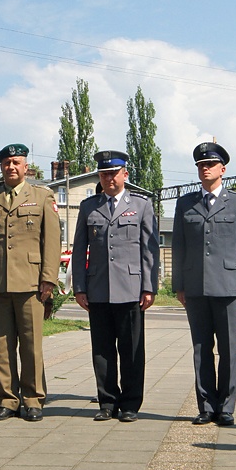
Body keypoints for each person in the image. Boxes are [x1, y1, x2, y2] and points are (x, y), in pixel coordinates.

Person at [0, 143, 61, 423]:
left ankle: (33, 399)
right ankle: (7, 399)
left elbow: (52, 241)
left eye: (16, 162)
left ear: (26, 167)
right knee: (1, 344)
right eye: (7, 162)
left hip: (31, 282)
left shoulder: (42, 196)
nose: (11, 167)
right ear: (1, 167)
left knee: (31, 344)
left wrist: (48, 278)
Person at [172, 142, 236, 427]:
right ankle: (206, 406)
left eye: (209, 164)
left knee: (229, 349)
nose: (204, 168)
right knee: (201, 348)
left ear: (223, 169)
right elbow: (179, 247)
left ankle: (226, 406)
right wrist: (179, 285)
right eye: (200, 165)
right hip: (195, 286)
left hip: (228, 286)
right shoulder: (185, 203)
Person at [72, 150, 159, 423]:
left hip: (131, 288)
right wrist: (79, 287)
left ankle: (131, 403)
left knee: (132, 350)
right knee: (102, 350)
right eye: (103, 174)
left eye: (113, 173)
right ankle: (107, 401)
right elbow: (79, 250)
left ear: (125, 175)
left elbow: (149, 250)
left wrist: (149, 287)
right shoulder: (89, 207)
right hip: (98, 289)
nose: (108, 178)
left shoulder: (142, 206)